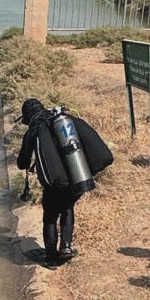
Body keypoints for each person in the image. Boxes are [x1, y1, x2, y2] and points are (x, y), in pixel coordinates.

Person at [16, 98, 112, 264]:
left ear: (28, 116)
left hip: (56, 184)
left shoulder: (35, 128)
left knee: (50, 217)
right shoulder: (64, 119)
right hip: (79, 175)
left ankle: (51, 257)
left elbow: (22, 163)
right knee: (67, 208)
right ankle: (66, 247)